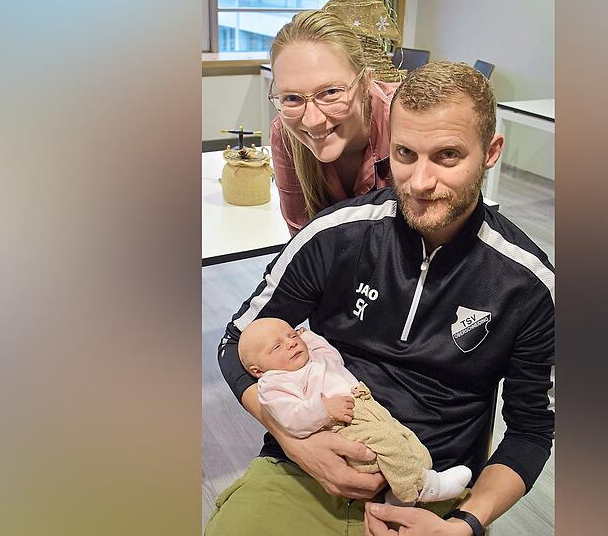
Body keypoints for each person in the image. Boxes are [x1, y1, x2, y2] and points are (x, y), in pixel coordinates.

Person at [208, 61, 555, 536]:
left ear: (491, 152)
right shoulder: (335, 236)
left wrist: (465, 525)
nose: (420, 181)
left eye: (447, 156)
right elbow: (235, 343)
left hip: (430, 493)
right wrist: (293, 440)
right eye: (405, 153)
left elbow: (531, 431)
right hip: (302, 468)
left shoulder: (528, 284)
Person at [238, 317, 473, 505]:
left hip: (364, 403)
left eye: (292, 335)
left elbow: (333, 356)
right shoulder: (275, 382)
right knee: (387, 442)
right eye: (277, 346)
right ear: (258, 371)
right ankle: (424, 487)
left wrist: (307, 335)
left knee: (406, 439)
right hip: (339, 424)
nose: (291, 343)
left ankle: (401, 496)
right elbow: (291, 418)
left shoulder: (314, 358)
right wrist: (324, 409)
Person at [267, 10, 398, 236]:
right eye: (292, 98)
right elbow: (305, 246)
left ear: (365, 81)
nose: (312, 120)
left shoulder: (405, 121)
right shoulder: (285, 135)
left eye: (330, 92)